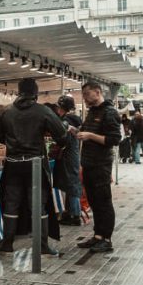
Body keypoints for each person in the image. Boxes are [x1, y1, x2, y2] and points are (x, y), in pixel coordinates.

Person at [0, 78, 68, 254]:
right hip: (35, 164)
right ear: (36, 92)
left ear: (19, 91)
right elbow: (62, 137)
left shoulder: (5, 112)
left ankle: (7, 243)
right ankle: (41, 246)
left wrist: (12, 142)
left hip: (13, 164)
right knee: (38, 205)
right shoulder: (44, 111)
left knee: (11, 203)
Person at [75, 82, 122, 253]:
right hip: (88, 163)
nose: (85, 98)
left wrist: (90, 135)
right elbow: (88, 133)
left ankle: (106, 239)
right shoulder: (93, 112)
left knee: (103, 202)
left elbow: (114, 139)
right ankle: (98, 236)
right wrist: (78, 132)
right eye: (84, 95)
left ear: (97, 92)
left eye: (87, 94)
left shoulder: (110, 112)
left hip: (101, 164)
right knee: (94, 202)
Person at [53, 96, 83, 226]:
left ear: (62, 108)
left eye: (58, 108)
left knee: (71, 184)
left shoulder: (66, 120)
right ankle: (69, 213)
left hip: (68, 156)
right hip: (73, 155)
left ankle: (75, 215)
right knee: (70, 184)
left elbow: (64, 140)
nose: (57, 110)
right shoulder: (74, 119)